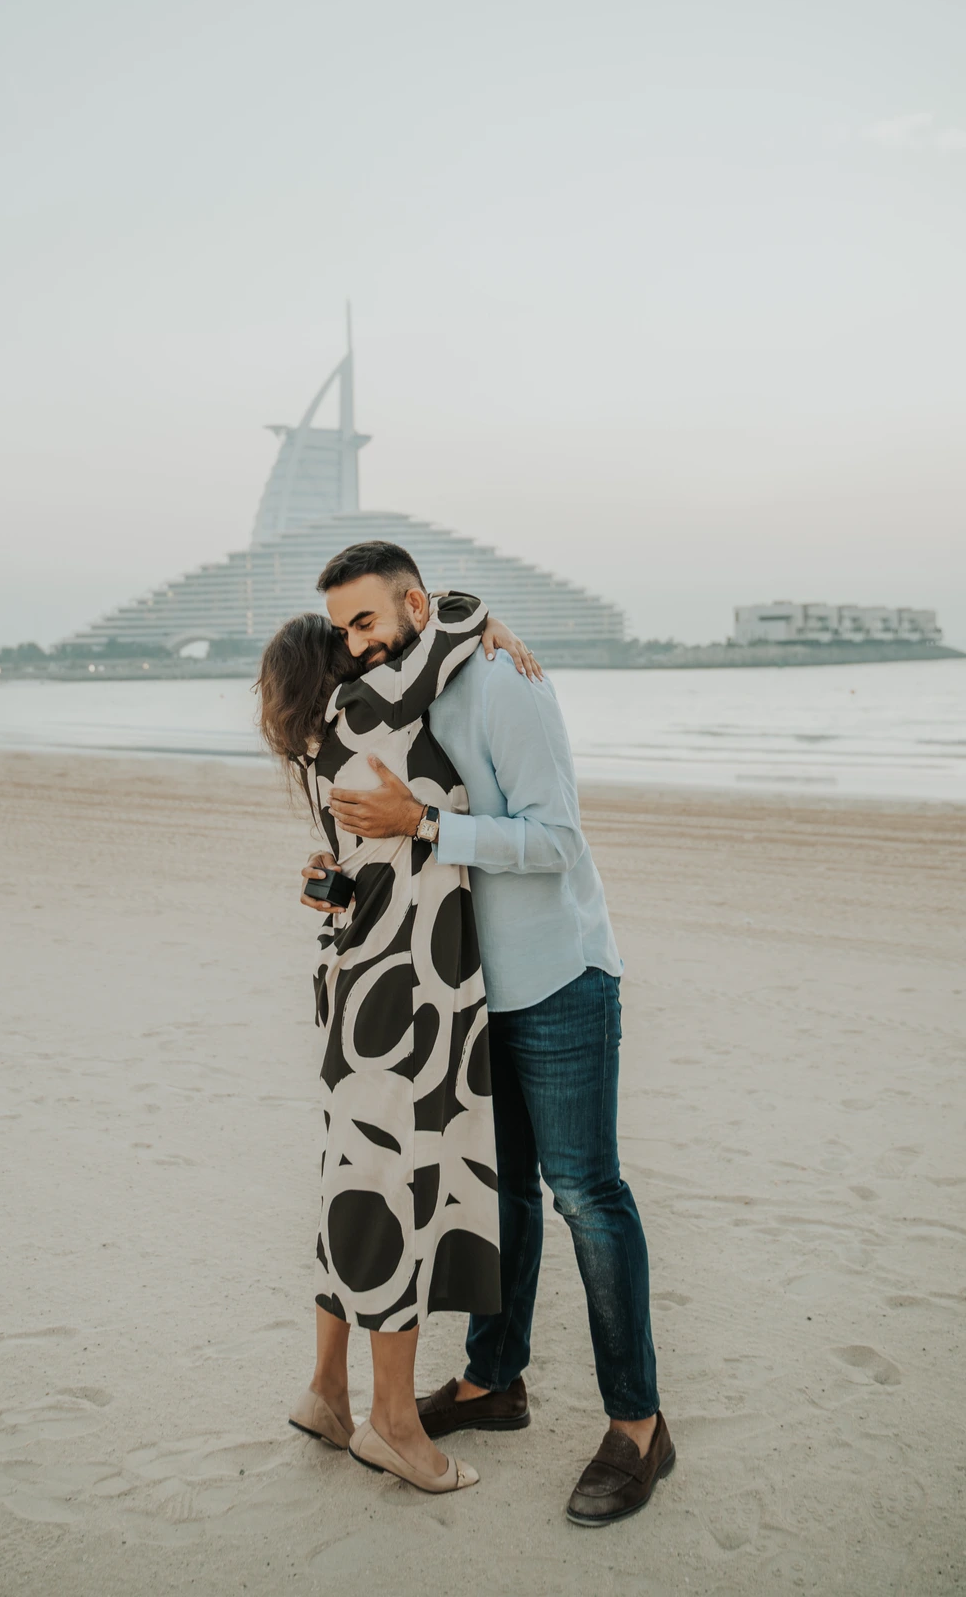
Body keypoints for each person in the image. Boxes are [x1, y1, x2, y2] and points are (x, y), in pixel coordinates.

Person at [301, 541, 674, 1526]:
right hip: (458, 990)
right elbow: (398, 833)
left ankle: (637, 1426)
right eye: (340, 630)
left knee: (585, 1196)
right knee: (497, 1192)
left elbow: (555, 842)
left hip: (554, 978)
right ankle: (490, 1383)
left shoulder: (501, 682)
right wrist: (338, 869)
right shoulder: (404, 688)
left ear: (415, 605)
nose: (352, 645)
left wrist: (419, 822)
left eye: (367, 622)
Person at [257, 593, 540, 1494]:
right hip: (405, 999)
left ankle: (326, 1394)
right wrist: (481, 617)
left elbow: (358, 872)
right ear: (334, 668)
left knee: (357, 1183)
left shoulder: (327, 743)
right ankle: (391, 1424)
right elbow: (438, 617)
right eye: (347, 641)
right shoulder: (368, 711)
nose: (364, 649)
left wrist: (329, 888)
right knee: (397, 1199)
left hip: (363, 992)